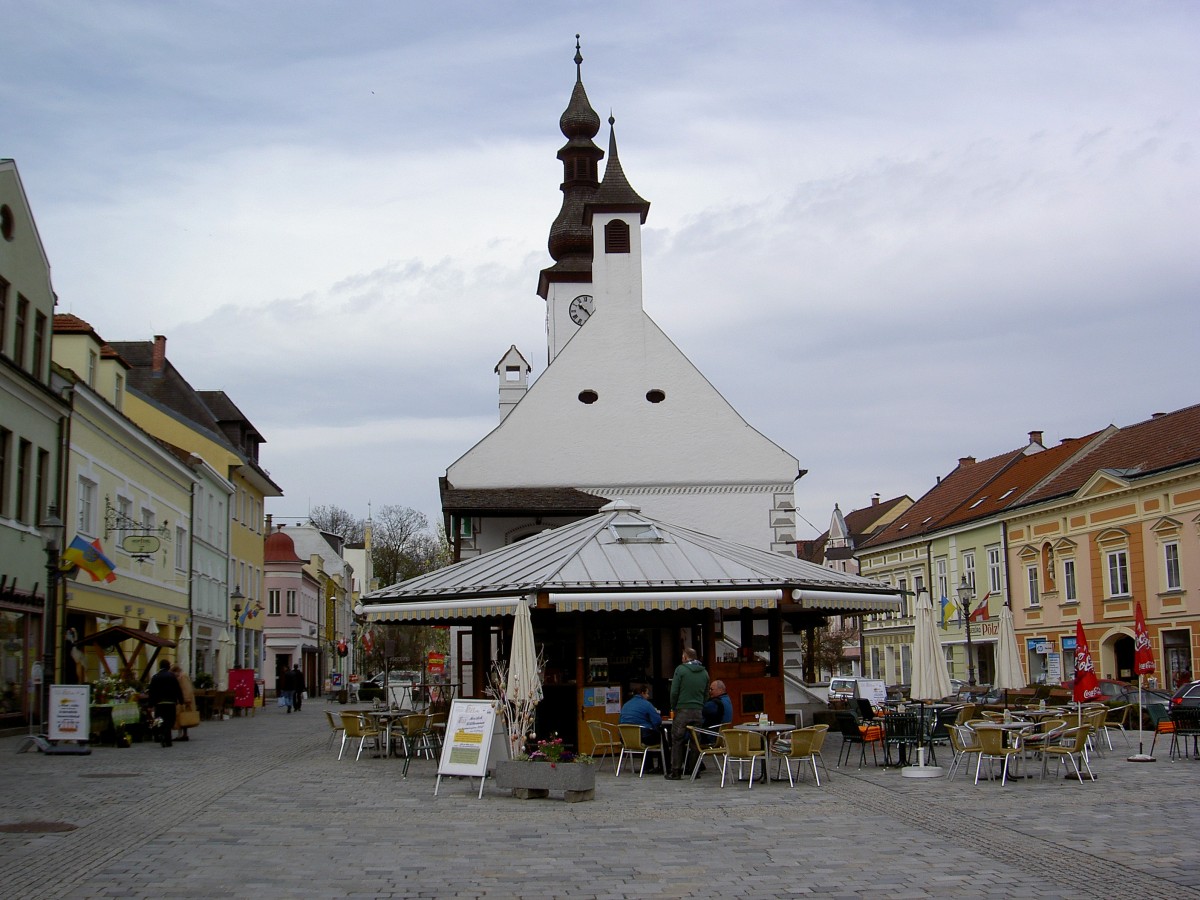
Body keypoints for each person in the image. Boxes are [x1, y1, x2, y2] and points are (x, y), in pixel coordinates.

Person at [667, 648, 708, 780]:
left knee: (677, 739)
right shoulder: (705, 673)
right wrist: (700, 704)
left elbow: (674, 691)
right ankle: (694, 770)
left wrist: (674, 706)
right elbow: (706, 694)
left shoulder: (681, 670)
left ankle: (676, 771)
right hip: (697, 711)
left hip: (682, 709)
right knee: (696, 741)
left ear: (685, 657)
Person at [619, 683, 664, 770]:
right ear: (642, 693)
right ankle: (664, 766)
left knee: (648, 733)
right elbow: (657, 721)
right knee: (663, 737)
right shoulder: (646, 704)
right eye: (647, 693)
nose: (648, 696)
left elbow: (620, 721)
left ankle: (648, 766)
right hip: (643, 737)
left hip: (625, 738)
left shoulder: (625, 705)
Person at [147, 658, 184, 748]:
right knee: (170, 720)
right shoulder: (172, 676)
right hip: (170, 702)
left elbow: (152, 692)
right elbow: (177, 689)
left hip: (159, 703)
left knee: (160, 720)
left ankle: (162, 735)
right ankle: (167, 739)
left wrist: (150, 705)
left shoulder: (155, 677)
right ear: (168, 667)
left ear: (160, 667)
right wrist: (181, 700)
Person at [170, 663, 196, 742]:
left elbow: (186, 689)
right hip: (182, 700)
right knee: (181, 718)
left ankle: (183, 734)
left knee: (183, 717)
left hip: (184, 701)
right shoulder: (181, 676)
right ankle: (182, 734)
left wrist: (186, 699)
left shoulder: (182, 677)